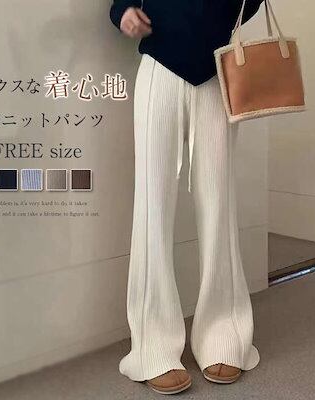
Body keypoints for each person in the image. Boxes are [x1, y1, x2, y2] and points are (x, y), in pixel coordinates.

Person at [109, 0, 264, 395]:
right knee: (152, 209)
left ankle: (224, 336)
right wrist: (124, 12)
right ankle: (153, 347)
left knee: (219, 208)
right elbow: (120, 2)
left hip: (217, 71)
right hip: (159, 69)